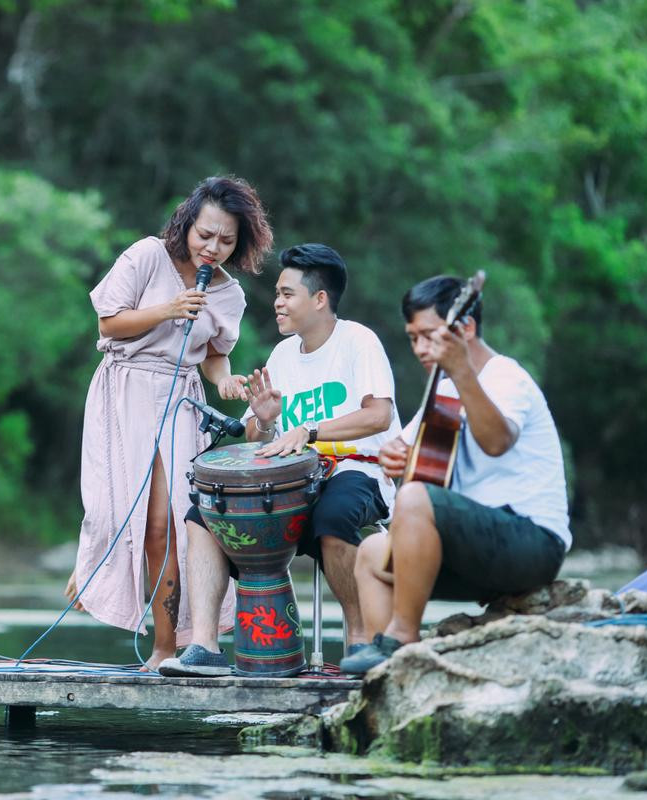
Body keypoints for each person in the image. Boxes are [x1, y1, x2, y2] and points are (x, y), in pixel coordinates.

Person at [160, 243, 400, 676]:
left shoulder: (358, 341)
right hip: (293, 484)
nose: (277, 302)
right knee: (204, 513)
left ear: (320, 298)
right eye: (277, 293)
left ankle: (361, 642)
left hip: (356, 471)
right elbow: (258, 434)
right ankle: (205, 646)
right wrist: (267, 421)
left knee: (336, 511)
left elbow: (378, 414)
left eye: (288, 293)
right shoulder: (282, 355)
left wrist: (310, 432)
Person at [68, 176, 274, 670]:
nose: (213, 248)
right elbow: (108, 323)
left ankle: (167, 647)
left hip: (180, 397)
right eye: (206, 235)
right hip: (125, 388)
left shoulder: (229, 294)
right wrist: (168, 309)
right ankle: (91, 573)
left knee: (171, 522)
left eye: (226, 241)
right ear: (187, 223)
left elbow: (214, 357)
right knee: (115, 510)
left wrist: (226, 382)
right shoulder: (146, 256)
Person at [340, 275, 570, 674]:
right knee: (371, 551)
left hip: (532, 543)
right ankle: (386, 675)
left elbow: (497, 441)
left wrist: (463, 372)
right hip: (475, 551)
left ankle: (403, 639)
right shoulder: (441, 391)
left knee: (414, 500)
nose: (420, 349)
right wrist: (396, 458)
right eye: (413, 338)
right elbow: (405, 451)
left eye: (429, 335)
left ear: (465, 329)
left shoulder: (504, 376)